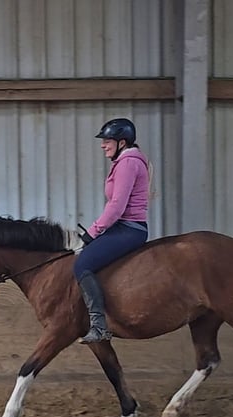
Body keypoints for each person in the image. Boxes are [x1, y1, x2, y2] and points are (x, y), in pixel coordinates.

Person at [74, 117, 150, 344]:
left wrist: (91, 232)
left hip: (129, 228)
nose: (103, 145)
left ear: (122, 142)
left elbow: (117, 207)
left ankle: (99, 325)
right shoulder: (126, 161)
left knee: (82, 264)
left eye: (108, 140)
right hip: (123, 226)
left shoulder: (128, 163)